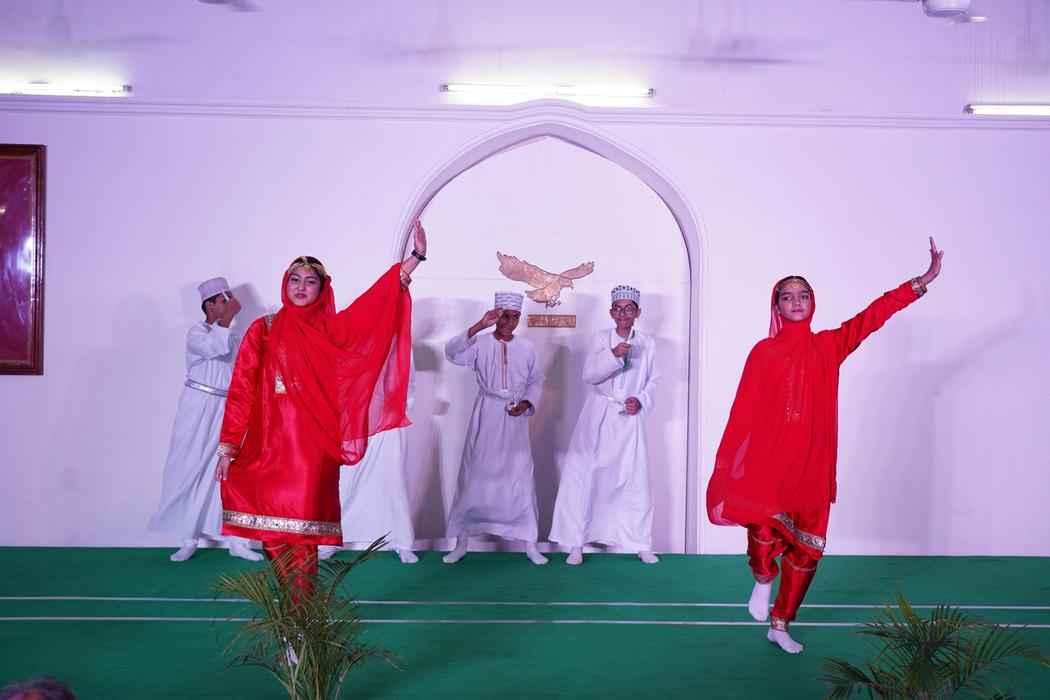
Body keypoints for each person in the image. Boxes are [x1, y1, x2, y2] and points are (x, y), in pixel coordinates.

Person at [706, 237, 944, 654]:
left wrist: (921, 281)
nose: (796, 302)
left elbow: (872, 316)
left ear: (812, 302)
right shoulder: (763, 352)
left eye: (803, 295)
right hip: (772, 462)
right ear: (776, 307)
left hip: (813, 466)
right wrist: (737, 462)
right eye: (787, 296)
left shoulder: (829, 345)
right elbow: (744, 410)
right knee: (763, 529)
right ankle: (762, 578)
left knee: (806, 553)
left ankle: (780, 625)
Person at [216, 221, 426, 599]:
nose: (301, 287)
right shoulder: (264, 330)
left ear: (323, 287)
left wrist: (414, 259)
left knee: (304, 530)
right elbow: (241, 390)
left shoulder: (332, 330)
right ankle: (294, 606)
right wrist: (228, 446)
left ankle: (303, 609)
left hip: (313, 448)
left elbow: (375, 307)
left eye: (310, 281)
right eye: (294, 280)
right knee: (272, 531)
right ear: (285, 284)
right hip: (268, 446)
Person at [148, 277, 261, 562]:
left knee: (230, 470)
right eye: (224, 300)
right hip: (198, 406)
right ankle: (189, 538)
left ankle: (236, 539)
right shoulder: (196, 333)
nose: (230, 304)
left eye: (229, 300)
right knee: (191, 466)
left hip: (228, 408)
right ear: (210, 305)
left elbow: (246, 368)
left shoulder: (233, 337)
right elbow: (214, 348)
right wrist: (228, 319)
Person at [550, 284, 661, 565]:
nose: (623, 314)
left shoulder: (648, 343)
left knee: (634, 479)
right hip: (598, 415)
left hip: (629, 419)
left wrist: (640, 400)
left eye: (629, 309)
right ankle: (576, 543)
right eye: (618, 309)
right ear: (611, 313)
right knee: (585, 477)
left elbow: (654, 380)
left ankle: (640, 542)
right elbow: (590, 375)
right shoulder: (600, 339)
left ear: (638, 313)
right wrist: (614, 355)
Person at [442, 292, 547, 565]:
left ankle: (529, 543)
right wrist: (479, 325)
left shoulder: (527, 348)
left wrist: (527, 403)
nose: (508, 322)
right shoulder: (479, 343)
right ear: (495, 316)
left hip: (515, 419)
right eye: (503, 316)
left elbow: (536, 380)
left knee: (519, 476)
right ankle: (461, 542)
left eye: (514, 317)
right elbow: (452, 353)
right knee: (474, 476)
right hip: (486, 414)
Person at [319, 359, 419, 564]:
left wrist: (397, 408)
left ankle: (402, 542)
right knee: (343, 481)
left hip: (388, 420)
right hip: (351, 416)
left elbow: (407, 377)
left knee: (393, 481)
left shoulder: (396, 343)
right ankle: (329, 540)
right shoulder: (345, 342)